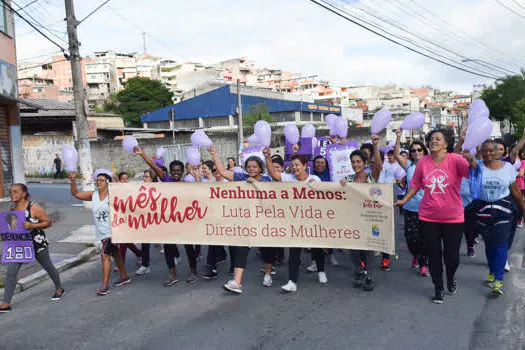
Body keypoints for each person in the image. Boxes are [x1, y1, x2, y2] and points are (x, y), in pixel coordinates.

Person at [395, 129, 475, 304]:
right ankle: (438, 288)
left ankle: (450, 277)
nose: (433, 141)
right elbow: (416, 184)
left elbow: (471, 173)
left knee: (452, 258)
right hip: (428, 216)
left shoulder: (455, 160)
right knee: (433, 255)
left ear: (446, 143)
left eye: (438, 139)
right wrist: (404, 200)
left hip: (453, 217)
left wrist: (471, 160)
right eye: (431, 139)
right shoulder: (423, 162)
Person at [208, 146, 274, 294]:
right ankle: (237, 282)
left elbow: (270, 197)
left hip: (262, 220)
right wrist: (214, 154)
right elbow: (223, 172)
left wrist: (255, 185)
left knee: (268, 248)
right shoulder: (240, 178)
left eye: (254, 166)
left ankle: (268, 273)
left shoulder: (266, 179)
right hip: (245, 220)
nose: (251, 169)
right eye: (249, 167)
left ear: (260, 168)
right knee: (241, 249)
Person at [134, 147, 199, 284]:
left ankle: (193, 272)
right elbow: (153, 166)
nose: (176, 173)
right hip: (169, 222)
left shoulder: (187, 185)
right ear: (170, 172)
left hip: (184, 221)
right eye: (173, 170)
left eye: (178, 170)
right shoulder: (166, 180)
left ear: (182, 172)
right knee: (169, 248)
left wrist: (198, 179)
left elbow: (199, 197)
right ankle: (172, 274)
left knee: (189, 248)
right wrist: (142, 154)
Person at [471, 140, 525, 296]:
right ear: (481, 153)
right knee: (489, 244)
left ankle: (498, 279)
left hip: (503, 211)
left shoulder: (507, 168)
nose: (488, 153)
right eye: (484, 151)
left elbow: (515, 191)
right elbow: (465, 158)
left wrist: (523, 208)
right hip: (483, 210)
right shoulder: (477, 166)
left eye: (491, 151)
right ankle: (493, 271)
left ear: (497, 152)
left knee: (501, 243)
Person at [264, 150, 323, 293]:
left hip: (311, 220)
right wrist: (267, 158)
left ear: (304, 165)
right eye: (292, 165)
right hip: (293, 221)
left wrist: (316, 186)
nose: (295, 167)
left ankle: (321, 270)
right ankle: (292, 281)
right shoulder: (288, 178)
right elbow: (273, 174)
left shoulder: (314, 178)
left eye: (297, 165)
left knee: (317, 246)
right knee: (294, 251)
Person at [0, 184, 64, 313]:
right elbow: (13, 227)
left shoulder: (33, 207)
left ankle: (59, 288)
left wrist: (31, 225)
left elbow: (48, 222)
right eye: (11, 192)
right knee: (11, 272)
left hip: (36, 243)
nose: (12, 194)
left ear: (24, 194)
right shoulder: (12, 208)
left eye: (16, 192)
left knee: (48, 267)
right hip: (20, 245)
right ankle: (6, 303)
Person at [70, 170, 131, 296]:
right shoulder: (94, 195)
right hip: (101, 232)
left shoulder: (113, 195)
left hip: (111, 232)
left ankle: (104, 285)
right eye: (97, 180)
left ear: (108, 182)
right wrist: (72, 180)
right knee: (116, 253)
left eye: (102, 180)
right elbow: (75, 194)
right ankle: (124, 276)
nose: (98, 182)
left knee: (105, 255)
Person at [340, 135, 383, 291]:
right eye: (353, 162)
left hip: (371, 218)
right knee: (354, 248)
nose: (355, 164)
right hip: (353, 219)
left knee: (369, 249)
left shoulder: (372, 177)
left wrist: (375, 146)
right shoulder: (347, 179)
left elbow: (378, 165)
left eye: (358, 161)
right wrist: (341, 186)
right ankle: (358, 271)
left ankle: (369, 275)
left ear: (365, 163)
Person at [393, 128, 429, 276]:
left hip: (427, 209)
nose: (416, 153)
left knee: (424, 238)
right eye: (413, 151)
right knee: (411, 238)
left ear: (424, 151)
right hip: (410, 208)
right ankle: (415, 254)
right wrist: (398, 137)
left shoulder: (431, 164)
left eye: (419, 150)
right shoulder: (409, 166)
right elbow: (396, 154)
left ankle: (423, 265)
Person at [114, 172, 142, 271]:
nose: (125, 181)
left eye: (126, 179)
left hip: (129, 219)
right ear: (119, 180)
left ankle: (121, 262)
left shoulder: (131, 190)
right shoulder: (115, 190)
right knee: (125, 241)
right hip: (119, 218)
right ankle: (139, 253)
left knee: (122, 241)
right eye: (123, 179)